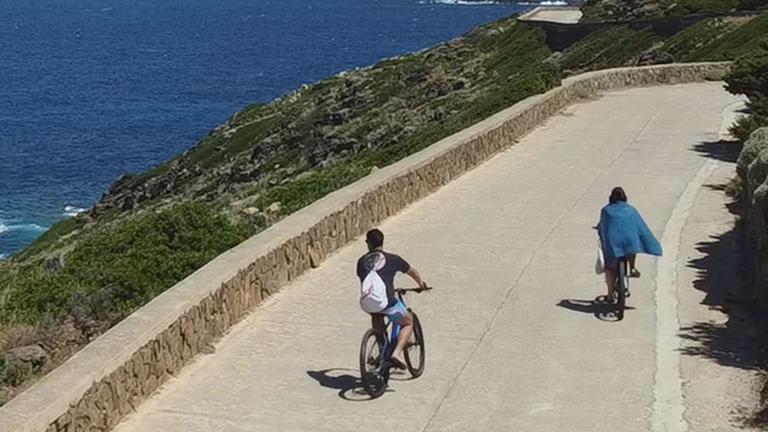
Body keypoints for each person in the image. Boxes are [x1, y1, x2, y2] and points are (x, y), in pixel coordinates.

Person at [356, 228, 427, 369]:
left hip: (367, 303)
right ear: (382, 241)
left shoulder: (361, 262)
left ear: (368, 243)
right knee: (408, 322)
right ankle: (397, 353)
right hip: (387, 303)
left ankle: (381, 349)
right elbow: (411, 271)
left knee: (376, 315)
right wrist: (421, 284)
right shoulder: (393, 259)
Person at [597, 187, 662, 301]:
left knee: (609, 268)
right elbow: (640, 225)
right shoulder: (631, 210)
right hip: (629, 241)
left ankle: (610, 294)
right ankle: (632, 267)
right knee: (632, 246)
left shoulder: (606, 210)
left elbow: (602, 226)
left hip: (613, 243)